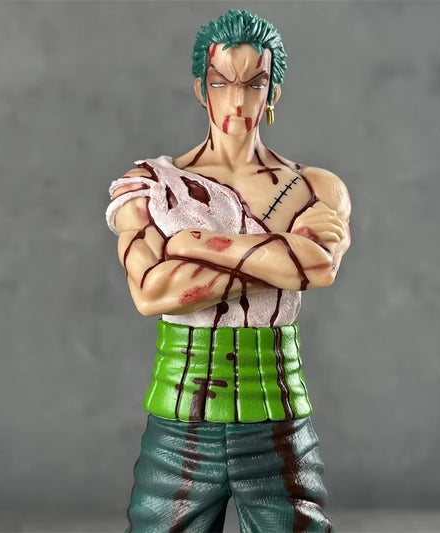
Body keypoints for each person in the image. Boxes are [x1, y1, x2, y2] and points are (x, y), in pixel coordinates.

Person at [106, 9, 351, 533]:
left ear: (273, 91)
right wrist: (280, 258)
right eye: (222, 83)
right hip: (181, 419)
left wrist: (194, 242)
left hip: (278, 416)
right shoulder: (152, 184)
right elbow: (151, 291)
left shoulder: (315, 186)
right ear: (202, 88)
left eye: (254, 84)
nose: (237, 102)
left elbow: (319, 265)